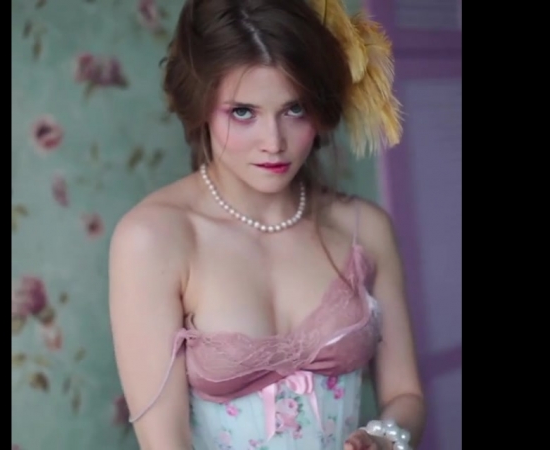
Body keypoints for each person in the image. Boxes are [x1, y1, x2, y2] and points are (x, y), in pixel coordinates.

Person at [108, 0, 425, 448]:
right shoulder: (154, 239)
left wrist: (384, 438)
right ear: (201, 106)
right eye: (243, 112)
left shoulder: (365, 229)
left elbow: (406, 395)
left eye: (295, 109)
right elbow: (165, 442)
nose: (273, 142)